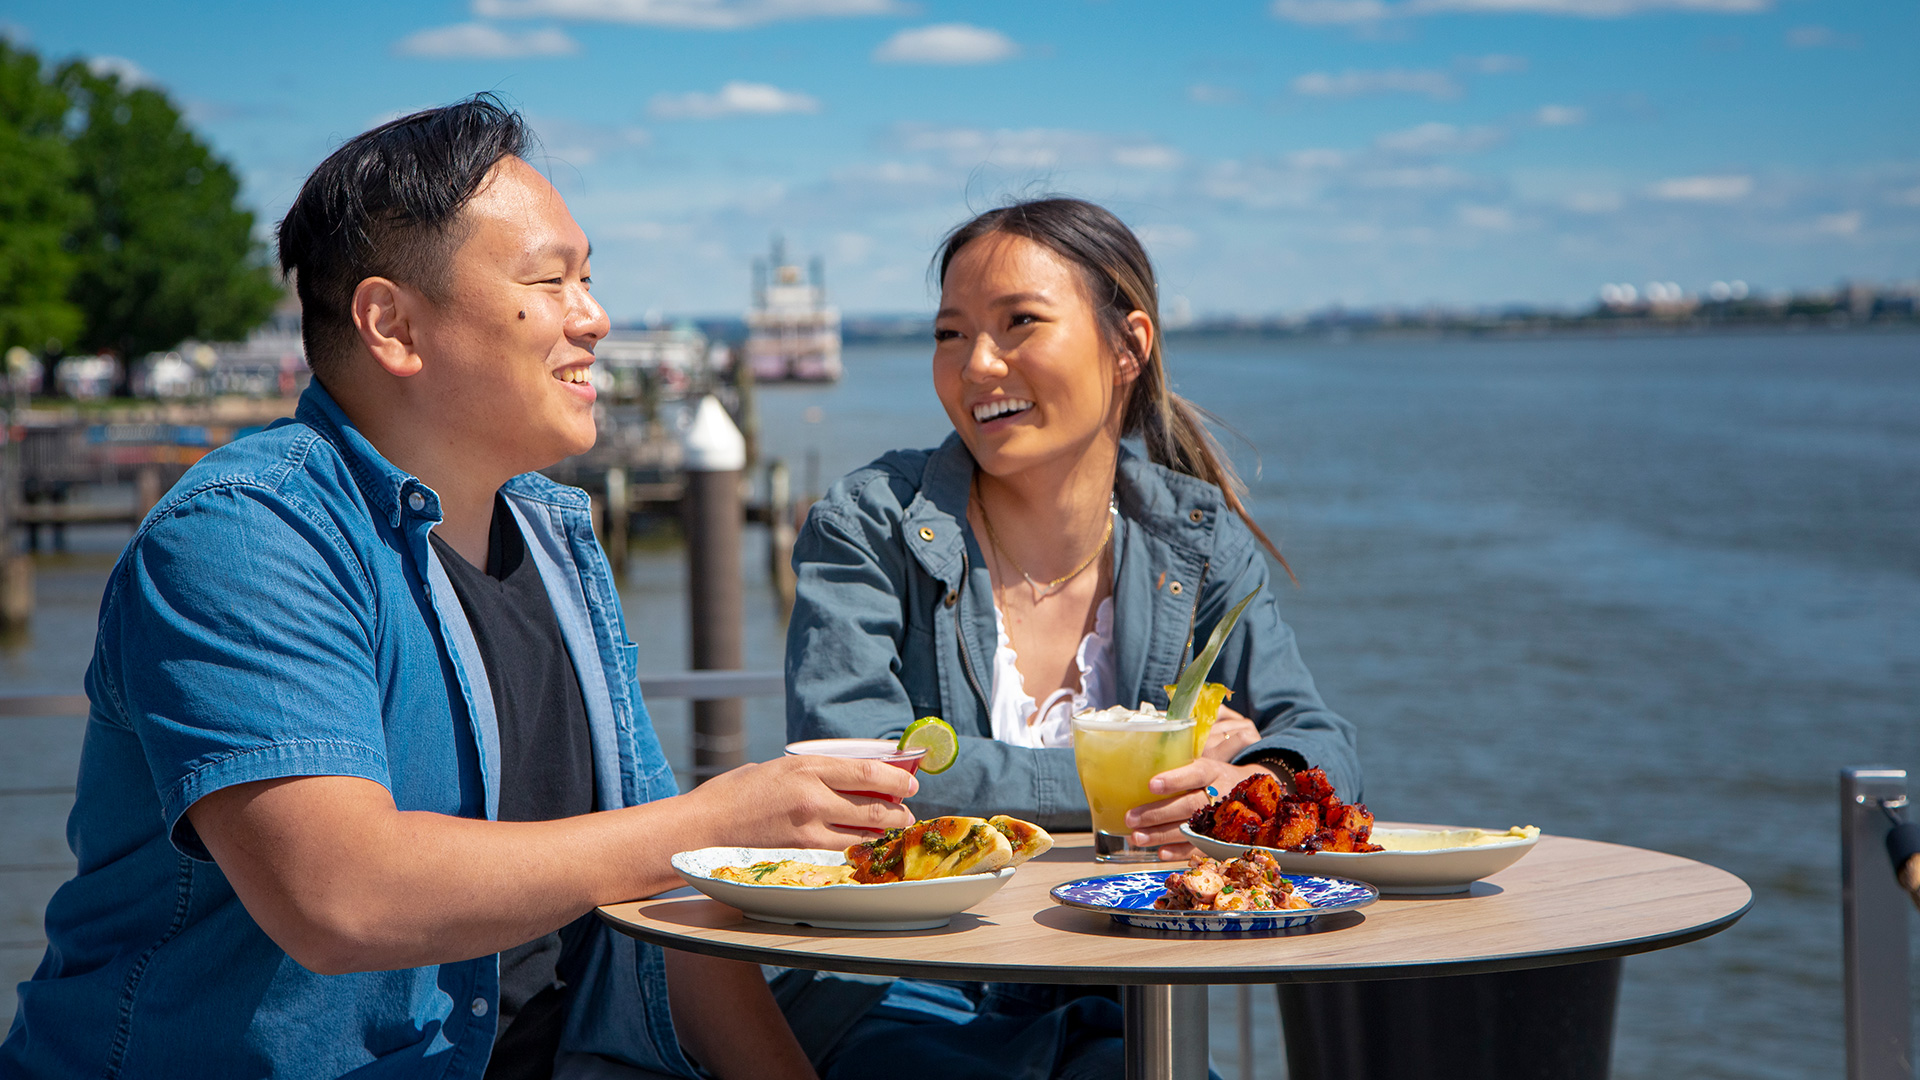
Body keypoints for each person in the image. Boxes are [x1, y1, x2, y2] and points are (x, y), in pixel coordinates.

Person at [0, 95, 916, 1080]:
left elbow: (668, 899)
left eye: (590, 278)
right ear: (391, 324)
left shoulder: (555, 536)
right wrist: (710, 822)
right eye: (551, 281)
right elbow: (341, 898)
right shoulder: (245, 535)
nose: (595, 318)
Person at [780, 197, 1362, 1079]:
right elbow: (851, 775)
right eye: (950, 333)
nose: (978, 364)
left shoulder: (1197, 539)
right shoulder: (869, 524)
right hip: (903, 976)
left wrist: (1251, 783)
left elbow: (1321, 747)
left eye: (1020, 323)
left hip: (1127, 975)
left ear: (1128, 345)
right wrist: (1142, 777)